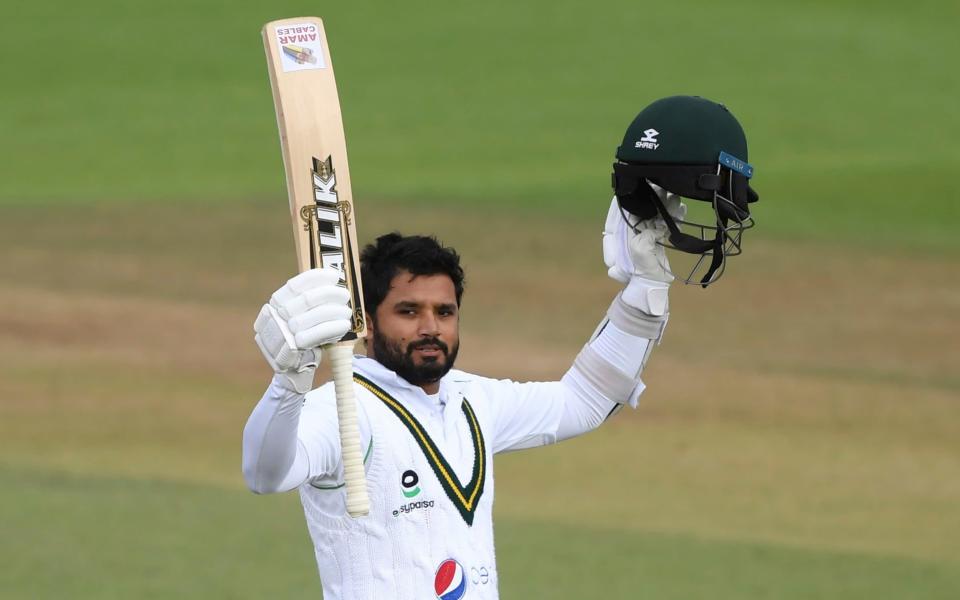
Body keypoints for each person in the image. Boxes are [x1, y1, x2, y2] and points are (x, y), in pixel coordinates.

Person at [242, 95, 757, 600]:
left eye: (444, 312)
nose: (430, 327)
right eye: (408, 311)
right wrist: (288, 383)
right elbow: (265, 474)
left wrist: (645, 291)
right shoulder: (343, 411)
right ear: (367, 323)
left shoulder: (472, 402)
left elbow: (582, 400)